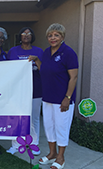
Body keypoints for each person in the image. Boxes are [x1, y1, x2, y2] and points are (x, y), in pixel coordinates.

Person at [29, 23, 78, 169]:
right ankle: (52, 154)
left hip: (62, 99)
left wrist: (67, 98)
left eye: (56, 35)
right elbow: (44, 70)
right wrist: (37, 60)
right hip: (47, 98)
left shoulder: (68, 53)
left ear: (62, 37)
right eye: (50, 35)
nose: (53, 38)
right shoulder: (46, 52)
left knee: (61, 128)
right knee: (49, 127)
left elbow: (73, 78)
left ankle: (61, 157)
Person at [6, 27, 43, 156]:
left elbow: (44, 71)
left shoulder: (39, 51)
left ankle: (34, 144)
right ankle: (16, 145)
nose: (26, 35)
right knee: (16, 118)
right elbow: (8, 70)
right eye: (23, 33)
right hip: (17, 91)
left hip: (36, 90)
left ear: (32, 36)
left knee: (34, 118)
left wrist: (37, 60)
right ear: (19, 37)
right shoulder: (12, 51)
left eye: (29, 33)